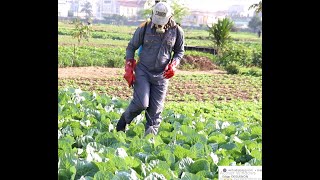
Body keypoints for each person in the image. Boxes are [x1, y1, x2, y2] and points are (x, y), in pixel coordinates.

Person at [116, 1, 185, 135]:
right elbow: (131, 47)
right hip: (143, 72)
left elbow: (179, 52)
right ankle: (124, 120)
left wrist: (174, 65)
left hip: (162, 76)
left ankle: (149, 144)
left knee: (155, 113)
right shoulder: (145, 27)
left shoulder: (177, 31)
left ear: (169, 17)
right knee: (141, 103)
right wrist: (129, 67)